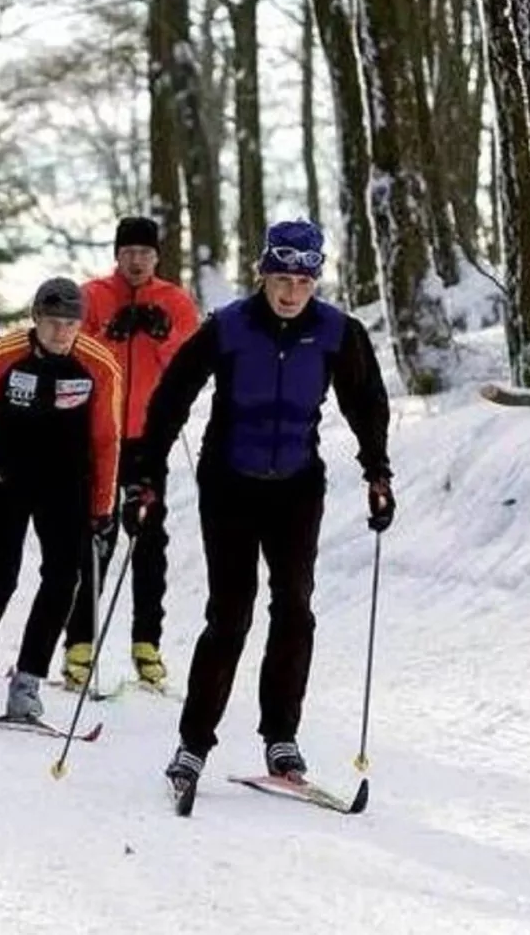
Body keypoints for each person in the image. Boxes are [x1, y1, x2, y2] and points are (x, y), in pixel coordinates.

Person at [131, 219, 396, 788]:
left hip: (297, 483)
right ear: (263, 275)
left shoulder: (337, 332)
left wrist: (378, 472)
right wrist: (145, 475)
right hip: (229, 481)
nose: (291, 293)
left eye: (303, 283)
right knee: (230, 613)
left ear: (316, 282)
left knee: (295, 608)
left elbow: (367, 403)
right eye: (281, 279)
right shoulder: (227, 327)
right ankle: (193, 744)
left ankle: (281, 737)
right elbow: (172, 396)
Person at [0, 277, 123, 728]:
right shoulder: (1, 356)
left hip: (67, 483)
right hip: (8, 478)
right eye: (52, 322)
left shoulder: (99, 364)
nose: (61, 332)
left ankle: (27, 686)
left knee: (63, 579)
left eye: (70, 324)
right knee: (0, 580)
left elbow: (106, 440)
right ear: (35, 319)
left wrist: (102, 507)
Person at [60, 215, 199, 691]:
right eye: (128, 253)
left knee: (148, 537)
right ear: (116, 255)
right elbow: (71, 352)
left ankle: (147, 643)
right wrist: (111, 335)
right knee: (94, 534)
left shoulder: (175, 301)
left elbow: (186, 366)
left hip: (149, 438)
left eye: (144, 253)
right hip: (97, 434)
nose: (136, 261)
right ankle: (79, 642)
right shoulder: (92, 295)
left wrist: (161, 336)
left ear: (156, 256)